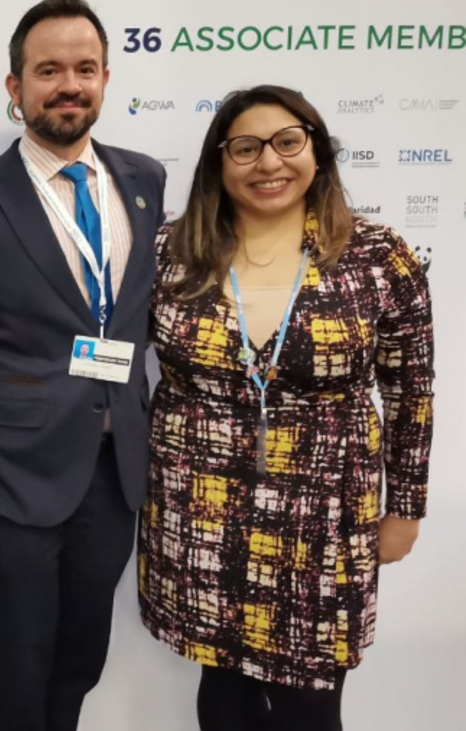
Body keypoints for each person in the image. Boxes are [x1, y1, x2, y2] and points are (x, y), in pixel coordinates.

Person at [138, 84, 433, 731]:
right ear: (220, 162)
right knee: (222, 684)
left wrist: (405, 507)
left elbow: (411, 390)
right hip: (202, 511)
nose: (268, 162)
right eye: (245, 147)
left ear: (317, 151)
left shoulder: (378, 256)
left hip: (322, 521)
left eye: (287, 142)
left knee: (310, 701)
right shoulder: (169, 253)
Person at [0, 2, 166, 729]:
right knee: (11, 679)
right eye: (48, 71)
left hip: (113, 475)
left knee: (77, 666)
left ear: (104, 78)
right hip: (8, 479)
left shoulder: (144, 181)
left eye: (83, 69)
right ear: (16, 86)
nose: (67, 84)